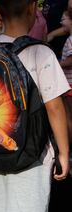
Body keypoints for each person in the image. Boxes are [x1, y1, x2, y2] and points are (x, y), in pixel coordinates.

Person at [0, 0, 71, 212]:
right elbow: (55, 107)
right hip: (31, 156)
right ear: (33, 9)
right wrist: (64, 152)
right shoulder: (41, 52)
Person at [60, 11, 72, 145]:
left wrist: (57, 64)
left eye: (64, 19)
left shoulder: (70, 40)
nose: (61, 22)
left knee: (68, 116)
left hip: (69, 84)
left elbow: (70, 60)